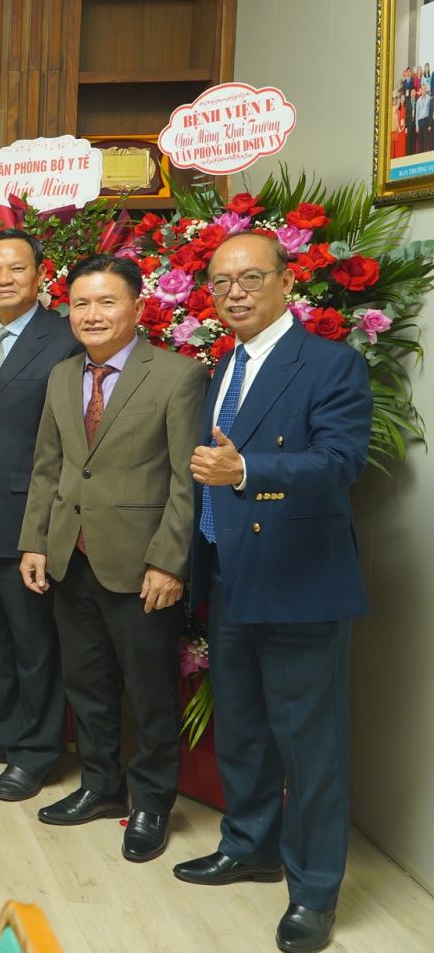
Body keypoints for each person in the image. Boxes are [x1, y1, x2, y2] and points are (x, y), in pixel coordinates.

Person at [172, 233, 371, 953]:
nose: (234, 293)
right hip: (231, 574)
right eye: (221, 281)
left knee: (310, 747)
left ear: (287, 282)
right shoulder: (223, 365)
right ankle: (249, 845)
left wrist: (248, 471)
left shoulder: (331, 363)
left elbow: (342, 461)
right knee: (244, 727)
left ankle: (314, 892)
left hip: (299, 583)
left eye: (251, 277)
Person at [17, 254, 204, 864]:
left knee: (149, 692)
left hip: (141, 564)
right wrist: (35, 541)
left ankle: (151, 803)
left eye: (106, 302)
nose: (91, 314)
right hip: (71, 556)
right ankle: (100, 786)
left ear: (137, 307)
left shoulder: (177, 375)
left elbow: (186, 481)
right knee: (87, 683)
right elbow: (48, 466)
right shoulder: (62, 375)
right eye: (81, 304)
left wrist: (169, 561)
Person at [0, 229, 82, 802]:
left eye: (16, 268)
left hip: (29, 518)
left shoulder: (65, 339)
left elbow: (70, 443)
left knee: (33, 644)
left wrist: (46, 529)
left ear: (40, 275)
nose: (4, 279)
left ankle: (36, 752)